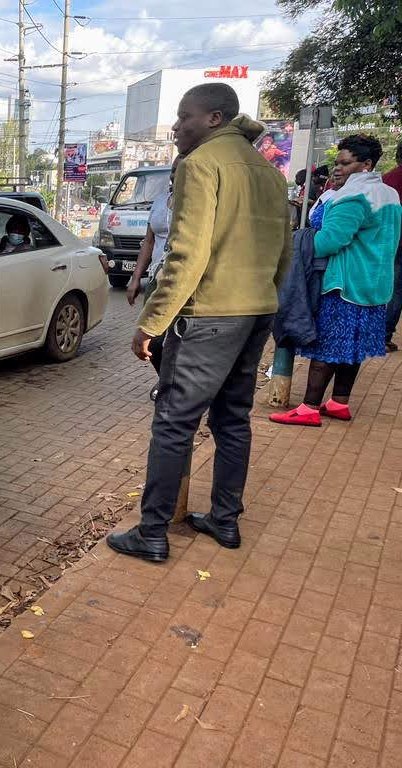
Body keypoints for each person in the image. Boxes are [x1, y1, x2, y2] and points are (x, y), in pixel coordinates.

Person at [106, 83, 292, 562]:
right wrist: (264, 299)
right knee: (233, 420)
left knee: (173, 424)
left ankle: (151, 533)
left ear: (214, 119)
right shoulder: (269, 172)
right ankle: (225, 521)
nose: (175, 126)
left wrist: (150, 323)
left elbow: (186, 255)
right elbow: (283, 253)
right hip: (256, 311)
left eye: (184, 116)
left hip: (208, 314)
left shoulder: (199, 164)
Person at [271, 135, 402, 426]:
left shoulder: (353, 197)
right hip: (375, 284)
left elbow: (329, 241)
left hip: (343, 284)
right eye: (337, 163)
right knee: (353, 347)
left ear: (366, 165)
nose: (337, 169)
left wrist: (299, 243)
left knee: (329, 346)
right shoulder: (389, 194)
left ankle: (308, 408)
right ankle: (339, 402)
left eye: (345, 163)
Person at [126, 155, 184, 395]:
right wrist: (135, 278)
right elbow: (148, 243)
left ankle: (177, 387)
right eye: (173, 170)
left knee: (178, 338)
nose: (173, 175)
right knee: (155, 339)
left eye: (179, 171)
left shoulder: (197, 204)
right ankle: (166, 380)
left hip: (182, 278)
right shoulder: (161, 201)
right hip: (156, 277)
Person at [382, 141, 402, 350]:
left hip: (392, 241)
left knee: (394, 288)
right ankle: (384, 334)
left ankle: (384, 334)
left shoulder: (388, 179)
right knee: (397, 290)